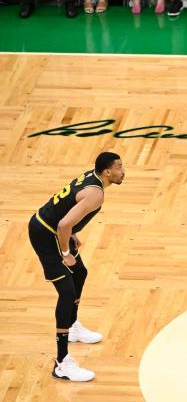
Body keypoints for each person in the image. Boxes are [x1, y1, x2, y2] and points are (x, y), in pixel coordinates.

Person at [29, 152, 125, 382]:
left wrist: (70, 235)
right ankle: (62, 363)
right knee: (67, 292)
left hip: (52, 229)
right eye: (119, 167)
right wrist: (65, 253)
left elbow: (65, 209)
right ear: (107, 172)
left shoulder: (92, 177)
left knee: (80, 273)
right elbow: (63, 224)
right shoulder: (96, 194)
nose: (124, 171)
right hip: (46, 235)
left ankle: (72, 327)